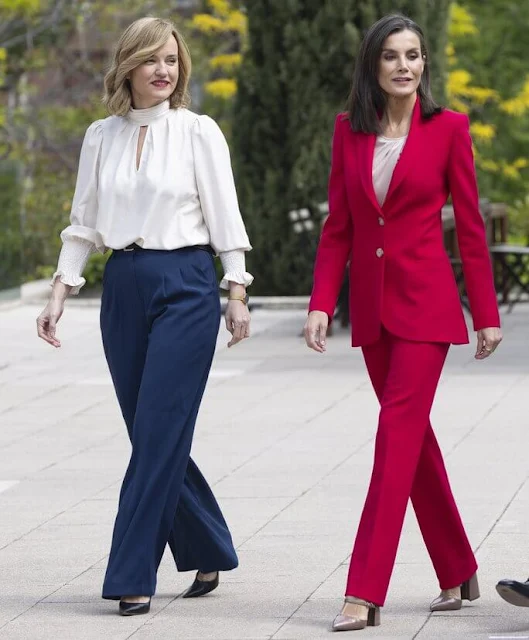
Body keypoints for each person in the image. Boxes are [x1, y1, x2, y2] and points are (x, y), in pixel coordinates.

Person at [36, 17, 253, 616]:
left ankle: (132, 573)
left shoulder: (198, 132)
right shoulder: (99, 136)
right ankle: (207, 544)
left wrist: (235, 289)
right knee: (152, 432)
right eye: (153, 59)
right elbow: (84, 219)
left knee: (158, 431)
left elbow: (224, 214)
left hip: (186, 284)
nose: (165, 70)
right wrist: (61, 287)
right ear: (128, 65)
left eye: (173, 60)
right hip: (123, 287)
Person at [304, 14, 502, 632]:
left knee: (393, 441)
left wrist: (487, 315)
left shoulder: (449, 130)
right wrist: (319, 301)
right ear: (373, 65)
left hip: (426, 309)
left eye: (413, 55)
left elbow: (470, 227)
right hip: (371, 311)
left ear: (424, 64)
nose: (404, 66)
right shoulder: (348, 132)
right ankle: (458, 565)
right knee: (413, 444)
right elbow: (340, 227)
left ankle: (364, 590)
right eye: (391, 56)